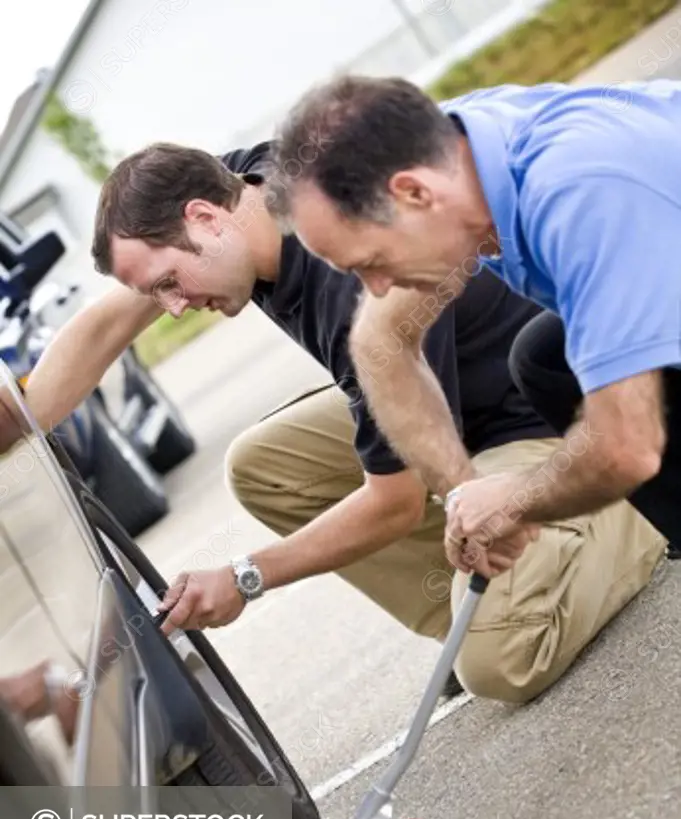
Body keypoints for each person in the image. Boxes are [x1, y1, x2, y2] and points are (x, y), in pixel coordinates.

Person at [11, 140, 666, 705]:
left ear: (203, 219)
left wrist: (246, 576)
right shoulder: (245, 188)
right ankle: (474, 611)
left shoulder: (351, 287)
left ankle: (623, 518)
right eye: (158, 292)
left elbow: (395, 503)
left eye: (169, 283)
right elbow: (105, 325)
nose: (172, 309)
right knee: (263, 466)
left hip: (541, 420)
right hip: (454, 408)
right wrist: (21, 418)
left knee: (505, 663)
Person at [267, 74, 681, 577]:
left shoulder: (578, 193)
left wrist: (515, 498)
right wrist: (465, 494)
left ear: (414, 193)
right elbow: (379, 340)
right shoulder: (454, 156)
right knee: (543, 359)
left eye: (371, 262)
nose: (375, 289)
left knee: (603, 401)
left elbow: (624, 450)